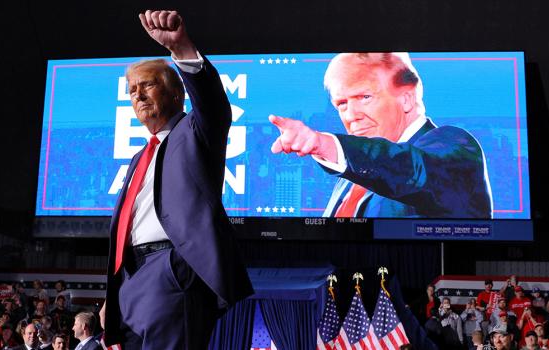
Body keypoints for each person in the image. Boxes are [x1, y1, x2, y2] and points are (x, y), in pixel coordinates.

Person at [100, 9, 253, 350]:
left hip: (169, 268)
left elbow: (213, 105)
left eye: (148, 85)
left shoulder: (195, 132)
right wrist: (117, 292)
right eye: (131, 90)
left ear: (174, 94)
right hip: (131, 278)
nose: (137, 95)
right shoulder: (141, 157)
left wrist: (182, 49)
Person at [268, 52, 493, 218]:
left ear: (407, 98)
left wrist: (323, 144)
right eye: (342, 104)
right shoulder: (351, 174)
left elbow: (412, 170)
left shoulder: (452, 145)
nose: (352, 115)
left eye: (365, 97)